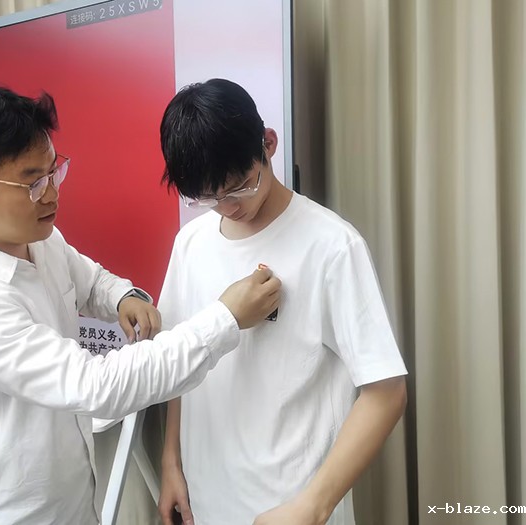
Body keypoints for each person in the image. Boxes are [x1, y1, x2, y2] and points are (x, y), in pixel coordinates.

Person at [0, 84, 281, 525]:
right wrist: (225, 319)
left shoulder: (37, 236)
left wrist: (122, 296)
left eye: (54, 171)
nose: (51, 193)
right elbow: (97, 387)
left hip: (71, 495)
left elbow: (88, 279)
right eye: (32, 183)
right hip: (9, 512)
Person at [157, 78, 408, 525]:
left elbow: (387, 392)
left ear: (268, 144)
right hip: (206, 501)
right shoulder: (190, 244)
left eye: (239, 187)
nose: (228, 207)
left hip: (293, 506)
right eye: (208, 198)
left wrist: (314, 506)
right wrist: (171, 460)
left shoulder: (332, 246)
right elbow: (181, 360)